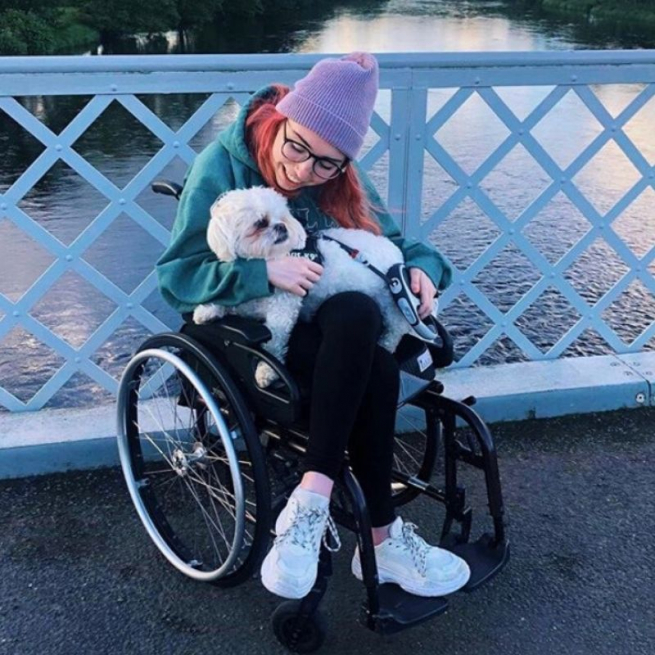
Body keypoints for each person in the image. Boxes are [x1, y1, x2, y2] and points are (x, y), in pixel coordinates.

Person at [156, 52, 471, 599]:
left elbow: (399, 244)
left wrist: (425, 269)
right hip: (245, 330)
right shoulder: (222, 165)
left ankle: (311, 499)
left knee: (360, 314)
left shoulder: (336, 178)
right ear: (280, 119)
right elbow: (178, 278)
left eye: (326, 163)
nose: (305, 171)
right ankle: (383, 536)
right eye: (296, 147)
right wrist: (261, 272)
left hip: (322, 326)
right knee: (372, 364)